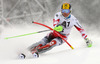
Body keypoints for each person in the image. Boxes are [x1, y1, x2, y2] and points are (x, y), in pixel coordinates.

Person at [19, 3, 92, 59]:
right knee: (41, 42)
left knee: (52, 44)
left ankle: (36, 51)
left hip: (62, 37)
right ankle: (24, 51)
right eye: (63, 10)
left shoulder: (74, 20)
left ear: (70, 11)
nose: (65, 13)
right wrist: (57, 27)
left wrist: (86, 39)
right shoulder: (58, 15)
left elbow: (81, 29)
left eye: (67, 11)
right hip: (53, 34)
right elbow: (55, 22)